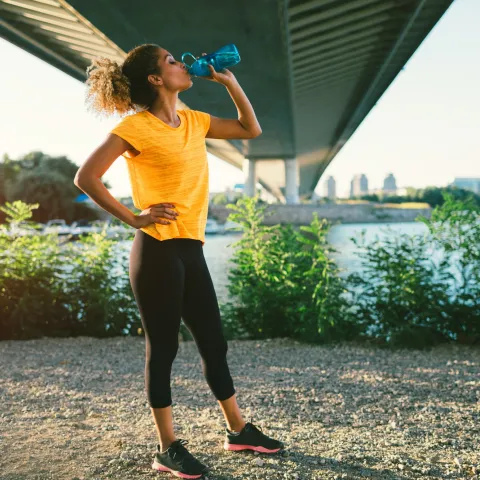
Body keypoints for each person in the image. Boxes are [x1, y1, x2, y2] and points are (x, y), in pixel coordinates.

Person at [74, 43, 284, 478]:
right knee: (164, 349)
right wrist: (134, 216)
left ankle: (238, 430)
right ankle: (167, 447)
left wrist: (229, 81)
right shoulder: (134, 127)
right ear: (155, 79)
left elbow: (251, 130)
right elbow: (86, 177)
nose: (181, 63)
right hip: (155, 249)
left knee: (214, 342)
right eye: (171, 61)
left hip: (191, 247)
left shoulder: (193, 121)